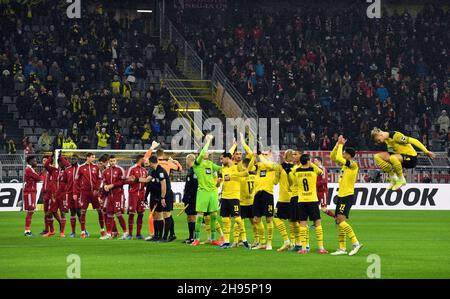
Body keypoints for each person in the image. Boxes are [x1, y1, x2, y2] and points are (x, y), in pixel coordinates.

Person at [371, 127, 436, 190]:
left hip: (411, 158)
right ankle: (393, 178)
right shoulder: (387, 140)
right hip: (401, 157)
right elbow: (391, 154)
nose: (378, 142)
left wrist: (426, 151)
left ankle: (401, 179)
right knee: (377, 157)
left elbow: (414, 141)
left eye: (378, 140)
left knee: (393, 158)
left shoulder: (396, 136)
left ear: (380, 134)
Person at [330, 136, 363, 256]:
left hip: (347, 196)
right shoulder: (345, 165)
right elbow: (333, 157)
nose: (343, 154)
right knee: (339, 221)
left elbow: (338, 157)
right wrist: (336, 145)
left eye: (344, 152)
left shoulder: (353, 164)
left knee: (340, 221)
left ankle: (356, 243)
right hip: (341, 195)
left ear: (349, 155)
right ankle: (342, 248)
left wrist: (340, 145)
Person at [291, 154, 328, 254]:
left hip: (301, 200)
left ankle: (303, 248)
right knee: (317, 223)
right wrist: (310, 163)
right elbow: (321, 172)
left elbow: (293, 171)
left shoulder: (296, 171)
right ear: (308, 161)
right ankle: (321, 247)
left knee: (302, 224)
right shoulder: (313, 170)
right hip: (312, 199)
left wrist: (302, 163)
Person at [191, 134, 223, 246]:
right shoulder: (197, 164)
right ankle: (197, 238)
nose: (208, 153)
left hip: (213, 192)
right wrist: (208, 140)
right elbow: (203, 150)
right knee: (200, 216)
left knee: (214, 215)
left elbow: (220, 168)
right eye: (206, 151)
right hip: (203, 192)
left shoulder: (210, 163)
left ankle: (213, 239)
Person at [217, 153, 252, 249]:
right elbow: (220, 183)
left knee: (237, 218)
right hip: (224, 197)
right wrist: (218, 183)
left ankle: (244, 240)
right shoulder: (223, 169)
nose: (221, 161)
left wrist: (237, 174)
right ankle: (226, 242)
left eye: (222, 158)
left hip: (234, 197)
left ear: (228, 158)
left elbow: (246, 173)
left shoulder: (237, 167)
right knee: (225, 219)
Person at [75, 153, 104, 239]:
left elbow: (99, 179)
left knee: (99, 211)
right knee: (83, 211)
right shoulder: (81, 167)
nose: (93, 159)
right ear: (87, 158)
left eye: (94, 157)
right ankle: (83, 231)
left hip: (94, 193)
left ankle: (102, 230)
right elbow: (76, 180)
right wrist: (78, 191)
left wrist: (97, 189)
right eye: (92, 157)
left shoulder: (96, 167)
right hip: (84, 193)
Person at [42, 154, 70, 237]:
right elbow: (46, 165)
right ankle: (52, 231)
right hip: (54, 196)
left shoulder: (68, 170)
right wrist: (51, 156)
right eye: (61, 162)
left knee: (62, 213)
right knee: (49, 213)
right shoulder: (54, 170)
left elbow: (68, 164)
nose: (63, 163)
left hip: (63, 195)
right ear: (58, 163)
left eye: (63, 162)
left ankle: (62, 232)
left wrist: (61, 157)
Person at [148, 155, 176, 242]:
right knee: (166, 215)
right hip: (164, 195)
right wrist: (136, 179)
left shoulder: (160, 171)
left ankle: (165, 237)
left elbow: (164, 186)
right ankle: (168, 235)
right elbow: (146, 180)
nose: (149, 165)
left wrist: (163, 198)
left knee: (166, 215)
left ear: (152, 163)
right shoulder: (155, 171)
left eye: (149, 163)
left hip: (167, 194)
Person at [101, 155, 128, 240]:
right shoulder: (105, 171)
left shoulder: (120, 170)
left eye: (114, 161)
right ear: (109, 161)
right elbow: (104, 182)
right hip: (110, 195)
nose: (112, 162)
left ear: (116, 161)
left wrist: (112, 185)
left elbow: (123, 181)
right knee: (109, 214)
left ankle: (125, 233)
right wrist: (105, 186)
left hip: (118, 195)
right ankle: (109, 234)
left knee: (118, 214)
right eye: (111, 161)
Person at [273, 150, 294, 252]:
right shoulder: (296, 168)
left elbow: (275, 182)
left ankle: (286, 241)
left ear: (284, 156)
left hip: (283, 198)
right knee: (292, 221)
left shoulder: (280, 167)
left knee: (276, 219)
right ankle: (295, 243)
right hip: (294, 198)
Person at [125, 155, 149, 240]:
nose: (145, 162)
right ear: (140, 160)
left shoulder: (144, 170)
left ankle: (138, 234)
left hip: (142, 194)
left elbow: (146, 182)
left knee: (141, 214)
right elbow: (126, 179)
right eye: (144, 160)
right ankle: (130, 234)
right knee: (131, 214)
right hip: (133, 194)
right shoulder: (132, 169)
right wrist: (137, 179)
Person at [63, 155, 82, 238]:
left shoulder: (81, 169)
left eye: (74, 159)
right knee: (72, 212)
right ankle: (73, 232)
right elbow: (64, 181)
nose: (72, 160)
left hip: (79, 193)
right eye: (71, 159)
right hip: (70, 193)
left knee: (79, 212)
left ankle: (83, 230)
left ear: (77, 160)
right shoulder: (67, 170)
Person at [23, 156, 42, 236]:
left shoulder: (30, 169)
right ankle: (27, 231)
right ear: (30, 161)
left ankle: (27, 230)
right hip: (30, 192)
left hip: (31, 191)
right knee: (30, 211)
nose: (36, 162)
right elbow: (38, 178)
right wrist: (40, 174)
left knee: (31, 211)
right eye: (34, 161)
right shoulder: (29, 169)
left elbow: (37, 178)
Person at [182, 154, 198, 244]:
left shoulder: (194, 171)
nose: (186, 161)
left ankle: (194, 237)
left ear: (189, 160)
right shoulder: (190, 171)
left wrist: (190, 197)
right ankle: (191, 236)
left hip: (192, 198)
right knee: (189, 217)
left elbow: (194, 186)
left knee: (192, 217)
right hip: (188, 197)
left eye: (186, 160)